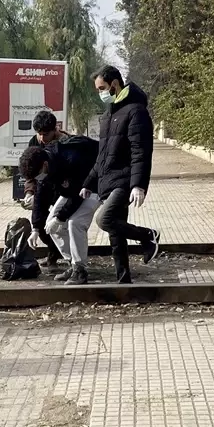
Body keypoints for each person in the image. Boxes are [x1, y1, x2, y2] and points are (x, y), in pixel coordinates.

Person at [80, 66, 160, 283]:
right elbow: (102, 156)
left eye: (102, 88)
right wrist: (89, 182)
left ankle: (148, 236)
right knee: (116, 236)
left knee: (104, 219)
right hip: (108, 181)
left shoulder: (136, 111)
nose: (100, 94)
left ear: (115, 84)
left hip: (124, 181)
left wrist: (138, 185)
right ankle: (123, 280)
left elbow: (141, 151)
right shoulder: (109, 115)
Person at [20, 133, 100, 285]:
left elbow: (78, 195)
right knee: (51, 226)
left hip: (94, 185)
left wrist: (60, 217)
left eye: (37, 176)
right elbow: (40, 196)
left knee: (75, 223)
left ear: (44, 165)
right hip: (73, 190)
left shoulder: (71, 159)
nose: (38, 180)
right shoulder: (45, 165)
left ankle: (80, 271)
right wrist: (36, 228)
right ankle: (74, 263)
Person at [20, 109, 68, 265]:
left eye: (46, 134)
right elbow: (30, 168)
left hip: (64, 188)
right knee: (39, 222)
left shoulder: (66, 142)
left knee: (61, 222)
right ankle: (53, 251)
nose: (42, 138)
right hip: (43, 187)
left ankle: (71, 258)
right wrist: (29, 192)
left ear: (55, 130)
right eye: (39, 134)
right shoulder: (35, 142)